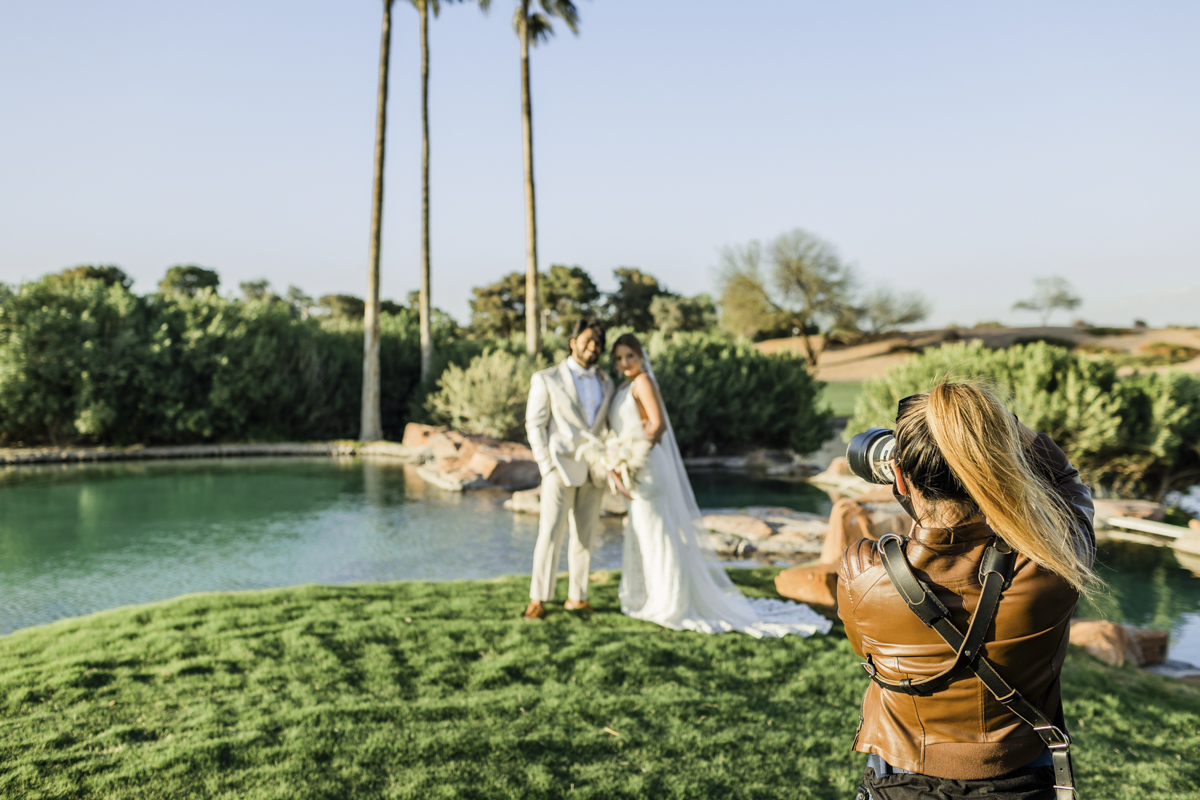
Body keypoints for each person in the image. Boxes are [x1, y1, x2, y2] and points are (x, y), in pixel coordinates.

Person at [837, 381, 1098, 799]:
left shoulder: (862, 574)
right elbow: (1063, 476)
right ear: (994, 467)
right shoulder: (1058, 561)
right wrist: (985, 431)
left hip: (901, 777)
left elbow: (863, 648)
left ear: (900, 479)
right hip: (1021, 776)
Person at [608, 333, 830, 638]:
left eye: (629, 356)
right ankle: (644, 594)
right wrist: (617, 458)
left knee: (658, 531)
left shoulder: (643, 381)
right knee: (642, 530)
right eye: (619, 358)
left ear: (640, 355)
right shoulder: (623, 386)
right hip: (631, 465)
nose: (624, 363)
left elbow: (657, 425)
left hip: (647, 466)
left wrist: (633, 458)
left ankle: (669, 600)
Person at [522, 319, 615, 621]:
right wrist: (546, 465)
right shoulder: (547, 378)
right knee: (550, 533)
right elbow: (534, 424)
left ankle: (578, 597)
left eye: (598, 343)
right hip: (558, 469)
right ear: (572, 341)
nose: (593, 347)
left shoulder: (607, 382)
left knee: (585, 536)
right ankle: (538, 598)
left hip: (595, 471)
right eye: (587, 340)